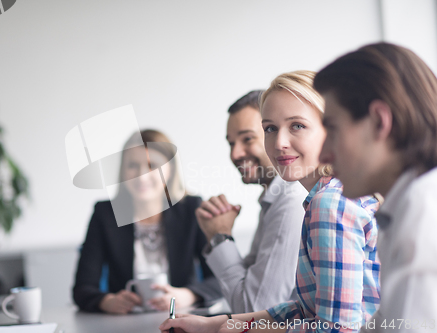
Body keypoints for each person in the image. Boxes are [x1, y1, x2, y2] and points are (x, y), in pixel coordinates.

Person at [160, 70, 381, 332]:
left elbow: (335, 328)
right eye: (270, 129)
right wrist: (218, 324)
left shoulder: (329, 205)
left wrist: (234, 330)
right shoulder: (322, 198)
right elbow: (303, 308)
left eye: (297, 125)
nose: (279, 142)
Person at [314, 42, 437, 332]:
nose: (323, 155)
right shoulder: (405, 204)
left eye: (332, 129)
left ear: (380, 122)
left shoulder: (423, 211)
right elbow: (387, 322)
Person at [73, 129, 221, 314]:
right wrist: (106, 301)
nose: (141, 175)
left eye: (152, 165)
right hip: (125, 324)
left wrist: (189, 295)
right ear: (122, 171)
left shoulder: (191, 209)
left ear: (171, 169)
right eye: (132, 165)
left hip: (183, 320)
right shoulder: (105, 214)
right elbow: (82, 288)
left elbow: (220, 279)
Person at [195, 91, 308, 313]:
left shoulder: (291, 202)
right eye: (231, 143)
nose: (235, 153)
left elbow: (254, 310)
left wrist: (220, 238)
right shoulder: (272, 201)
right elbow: (249, 284)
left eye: (248, 138)